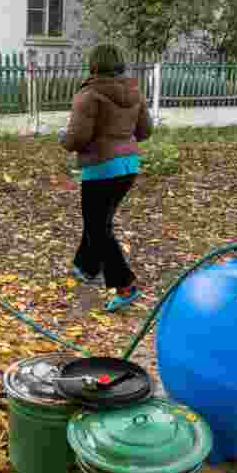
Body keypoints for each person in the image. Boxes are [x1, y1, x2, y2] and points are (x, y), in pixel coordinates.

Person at [58, 44, 152, 312]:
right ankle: (86, 267)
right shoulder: (135, 92)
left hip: (101, 167)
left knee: (98, 227)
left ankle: (125, 285)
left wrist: (63, 139)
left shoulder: (88, 95)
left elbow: (77, 138)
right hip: (129, 167)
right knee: (99, 221)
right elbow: (144, 132)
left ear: (94, 65)